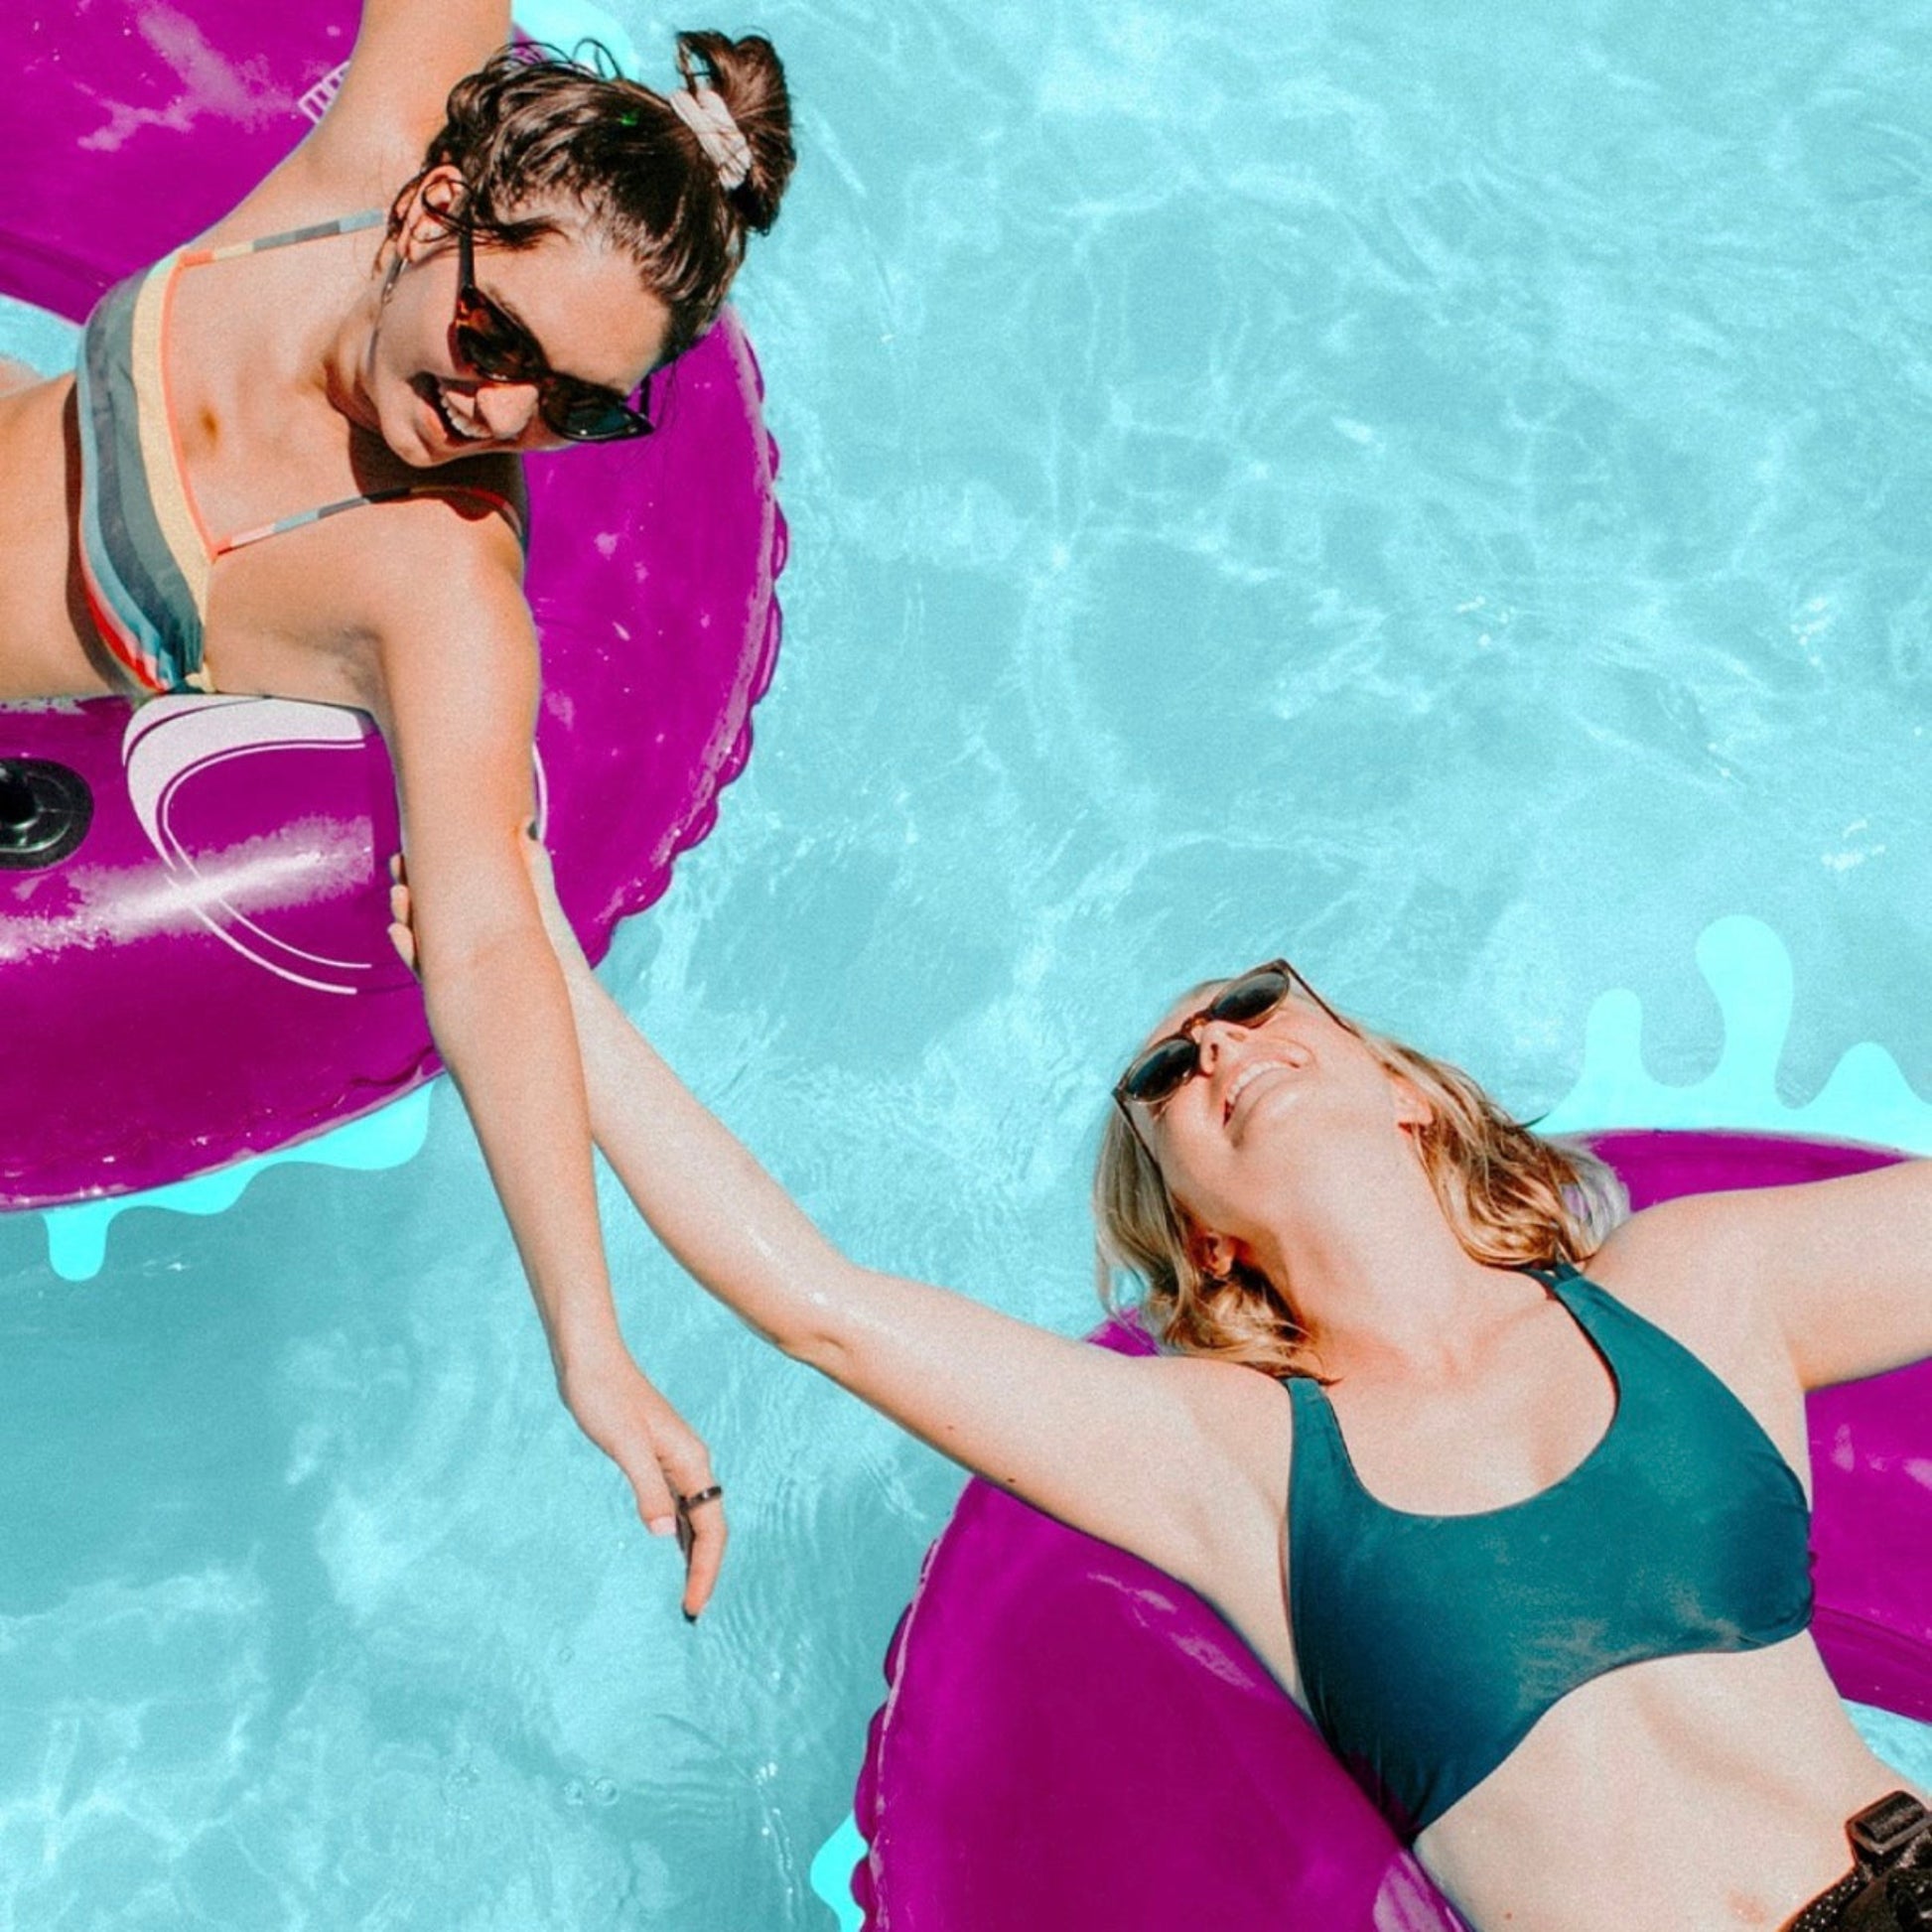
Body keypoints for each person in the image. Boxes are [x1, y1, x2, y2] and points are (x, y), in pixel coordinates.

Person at [400, 838, 1932, 1929]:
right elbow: (827, 1309)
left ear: (1394, 1080)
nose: (1212, 1045)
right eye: (1162, 1074)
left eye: (1252, 1000)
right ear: (1193, 1225)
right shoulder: (1233, 1464)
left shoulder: (1696, 1287)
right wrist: (534, 959)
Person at [0, 1, 793, 1596]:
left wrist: (588, 1342)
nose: (500, 416)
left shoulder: (435, 586)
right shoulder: (359, 165)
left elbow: (492, 941)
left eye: (576, 404)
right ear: (431, 214)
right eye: (497, 343)